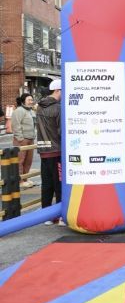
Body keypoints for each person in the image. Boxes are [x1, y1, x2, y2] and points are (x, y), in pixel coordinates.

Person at [36, 79, 64, 225]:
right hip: (56, 150)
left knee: (46, 185)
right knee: (59, 184)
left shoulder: (39, 107)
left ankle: (46, 216)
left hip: (43, 150)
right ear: (58, 91)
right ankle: (60, 216)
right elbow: (60, 131)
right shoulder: (58, 108)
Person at [11, 93, 36, 188]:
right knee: (20, 161)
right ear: (23, 101)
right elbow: (15, 125)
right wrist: (20, 138)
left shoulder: (31, 111)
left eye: (32, 100)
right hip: (22, 139)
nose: (31, 102)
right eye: (29, 100)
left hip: (30, 139)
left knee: (28, 161)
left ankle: (26, 178)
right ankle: (20, 181)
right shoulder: (19, 111)